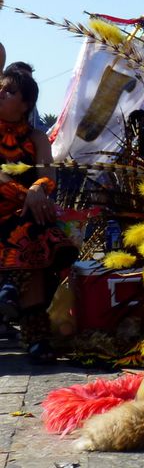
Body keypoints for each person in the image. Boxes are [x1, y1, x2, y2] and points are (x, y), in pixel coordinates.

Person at [0, 68, 76, 363]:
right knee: (33, 226)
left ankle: (15, 300)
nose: (1, 93)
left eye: (8, 91)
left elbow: (48, 175)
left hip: (23, 216)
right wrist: (26, 193)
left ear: (25, 105)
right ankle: (34, 333)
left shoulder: (37, 137)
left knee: (35, 227)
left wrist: (37, 188)